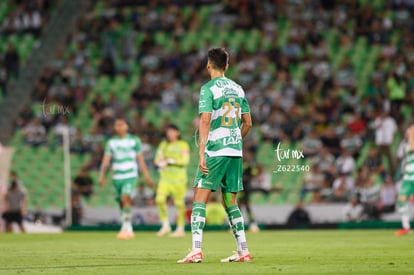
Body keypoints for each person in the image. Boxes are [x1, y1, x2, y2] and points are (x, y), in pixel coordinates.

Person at [178, 48, 253, 263]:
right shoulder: (238, 89)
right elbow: (248, 123)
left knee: (200, 198)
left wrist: (201, 152)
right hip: (234, 152)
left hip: (215, 150)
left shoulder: (208, 89)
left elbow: (205, 120)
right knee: (230, 202)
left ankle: (196, 250)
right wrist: (236, 139)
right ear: (227, 66)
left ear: (208, 65)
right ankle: (244, 251)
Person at [99, 118, 154, 240]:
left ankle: (127, 227)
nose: (119, 127)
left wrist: (147, 177)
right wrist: (102, 175)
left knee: (125, 197)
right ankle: (126, 225)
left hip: (130, 175)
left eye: (122, 125)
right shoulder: (111, 142)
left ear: (126, 126)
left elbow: (141, 160)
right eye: (117, 125)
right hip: (117, 176)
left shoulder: (134, 141)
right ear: (115, 128)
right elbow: (106, 160)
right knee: (120, 201)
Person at [154, 124, 190, 237]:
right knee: (159, 200)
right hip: (165, 178)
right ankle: (165, 225)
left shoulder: (183, 145)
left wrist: (169, 160)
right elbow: (157, 160)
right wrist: (161, 163)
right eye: (168, 132)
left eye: (172, 131)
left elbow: (185, 161)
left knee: (179, 203)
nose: (169, 134)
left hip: (179, 179)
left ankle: (180, 228)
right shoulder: (163, 145)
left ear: (177, 133)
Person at [395, 125, 414, 236]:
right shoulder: (406, 144)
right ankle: (406, 227)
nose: (408, 134)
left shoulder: (411, 144)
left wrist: (412, 132)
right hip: (408, 177)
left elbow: (412, 148)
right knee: (401, 200)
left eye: (409, 133)